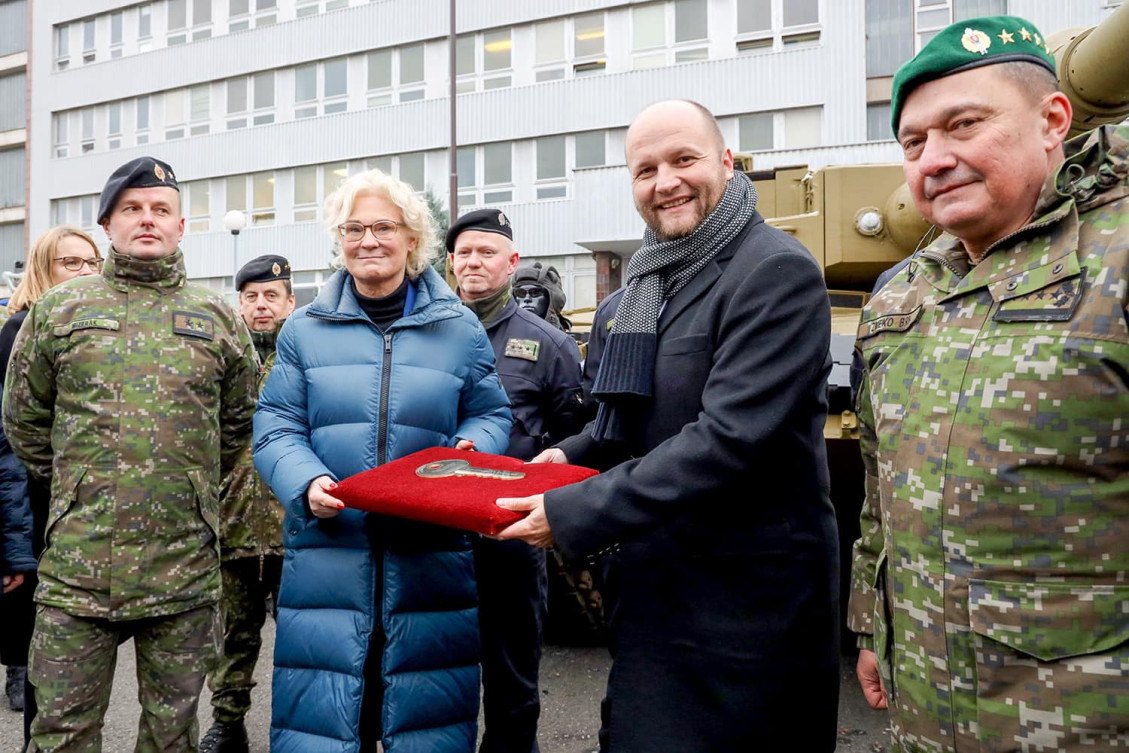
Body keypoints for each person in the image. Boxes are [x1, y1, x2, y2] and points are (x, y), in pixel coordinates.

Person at [495, 99, 840, 751]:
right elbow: (616, 424)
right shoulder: (632, 298)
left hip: (750, 609)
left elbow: (728, 440)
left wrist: (569, 509)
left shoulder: (774, 273)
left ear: (726, 162)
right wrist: (562, 459)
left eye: (684, 159)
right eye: (645, 169)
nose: (666, 181)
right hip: (652, 594)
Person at [847, 16, 1129, 751]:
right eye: (913, 143)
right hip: (928, 706)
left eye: (963, 125)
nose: (933, 159)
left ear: (1051, 120)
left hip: (1087, 715)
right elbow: (880, 485)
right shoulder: (901, 293)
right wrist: (873, 626)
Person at [2, 156, 259, 753]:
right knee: (60, 734)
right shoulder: (58, 311)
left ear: (181, 225)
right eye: (132, 210)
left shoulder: (218, 314)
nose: (148, 220)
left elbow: (237, 422)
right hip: (78, 568)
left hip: (183, 568)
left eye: (160, 210)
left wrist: (185, 484)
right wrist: (83, 481)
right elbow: (24, 420)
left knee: (172, 737)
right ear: (108, 224)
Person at [253, 169, 512, 752]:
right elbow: (275, 428)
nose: (368, 240)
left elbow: (492, 413)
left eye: (383, 227)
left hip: (430, 560)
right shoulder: (305, 328)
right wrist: (307, 480)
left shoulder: (458, 327)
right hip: (328, 557)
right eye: (354, 228)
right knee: (322, 721)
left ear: (412, 238)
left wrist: (472, 450)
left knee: (424, 722)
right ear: (339, 239)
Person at [447, 209, 585, 753]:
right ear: (451, 262)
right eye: (464, 253)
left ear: (512, 262)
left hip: (510, 534)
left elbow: (574, 435)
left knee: (511, 672)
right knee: (440, 667)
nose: (474, 262)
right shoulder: (429, 331)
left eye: (487, 252)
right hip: (437, 535)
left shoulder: (547, 344)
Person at [0, 227, 103, 732]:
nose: (85, 272)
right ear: (44, 268)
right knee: (35, 619)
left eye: (91, 263)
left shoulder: (98, 328)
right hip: (32, 494)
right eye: (71, 263)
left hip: (81, 499)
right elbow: (10, 436)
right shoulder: (19, 329)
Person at [200, 254, 295, 753]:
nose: (262, 306)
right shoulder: (222, 359)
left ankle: (298, 726)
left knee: (302, 641)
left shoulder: (305, 359)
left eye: (271, 296)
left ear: (290, 302)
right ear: (239, 303)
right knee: (233, 637)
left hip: (295, 527)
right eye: (252, 297)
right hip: (232, 525)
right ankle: (228, 722)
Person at [511, 261, 571, 331]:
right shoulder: (503, 331)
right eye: (520, 292)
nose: (527, 299)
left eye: (536, 292)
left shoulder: (560, 339)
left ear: (552, 299)